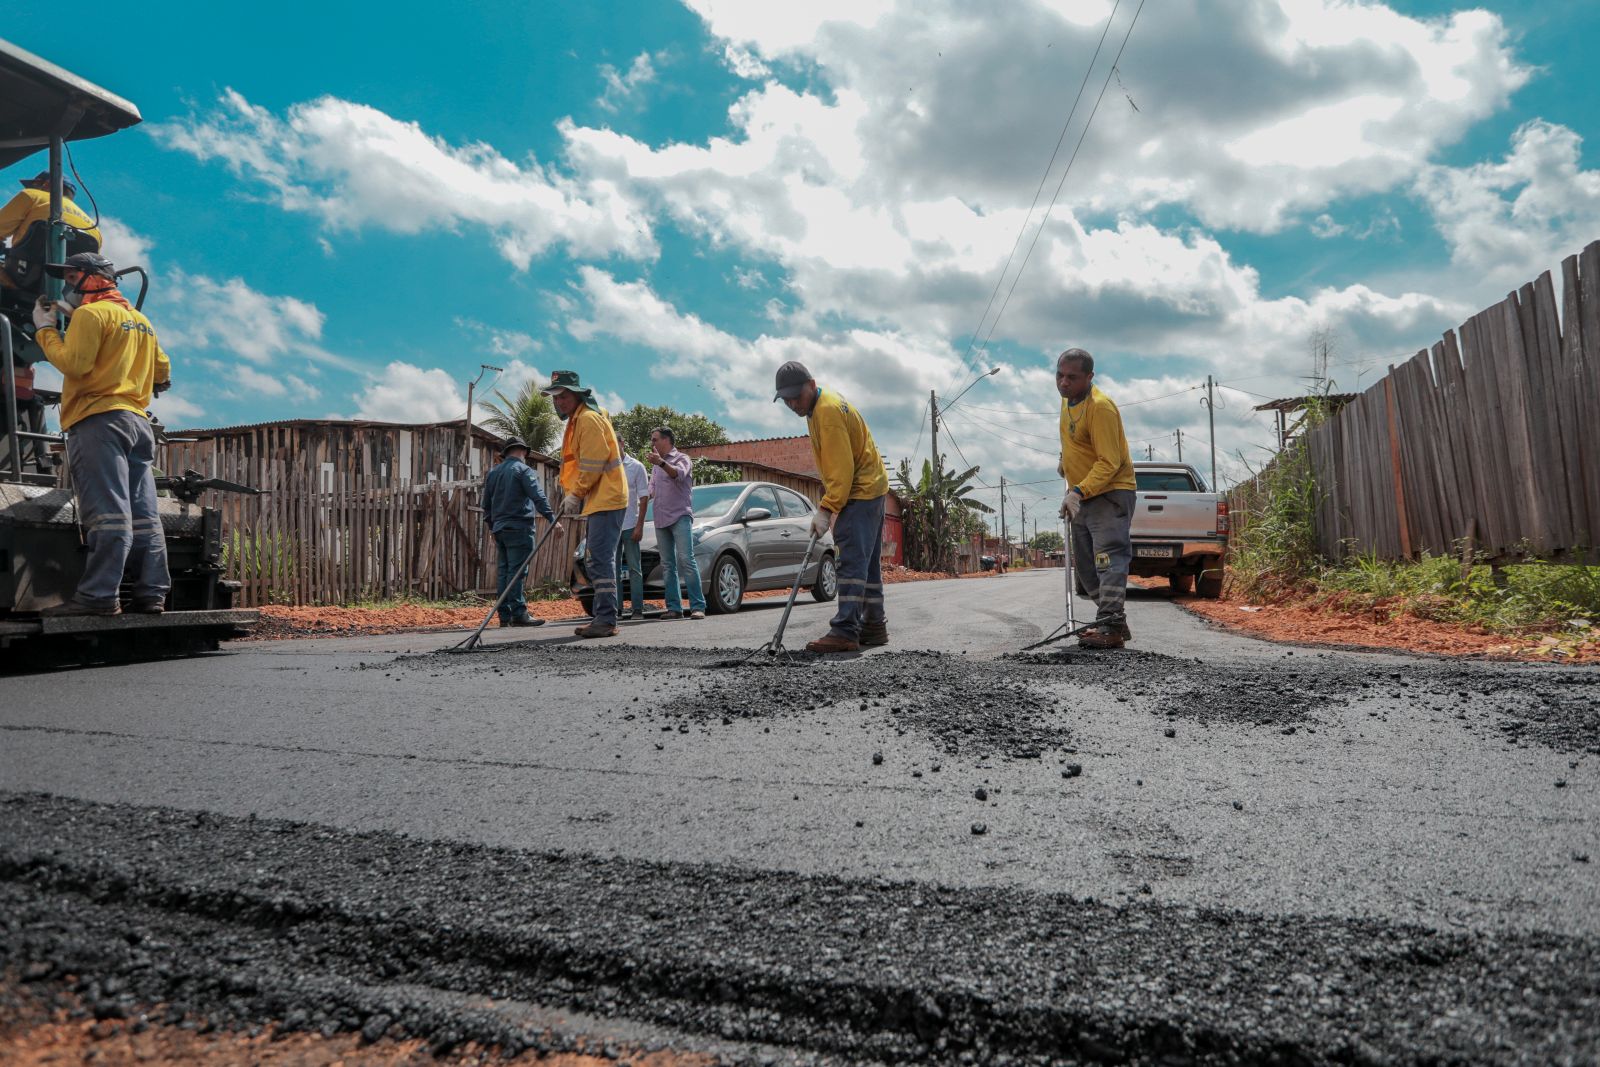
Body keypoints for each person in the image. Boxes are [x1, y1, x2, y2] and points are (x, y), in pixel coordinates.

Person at [30, 252, 170, 616]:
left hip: (99, 421)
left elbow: (74, 365)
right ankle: (152, 594)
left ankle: (97, 597)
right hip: (137, 424)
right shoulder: (141, 321)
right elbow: (163, 373)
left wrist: (45, 329)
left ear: (92, 278)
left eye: (72, 275)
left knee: (108, 514)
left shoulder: (92, 315)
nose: (67, 284)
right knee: (144, 515)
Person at [773, 361, 888, 653]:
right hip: (872, 489)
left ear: (811, 384)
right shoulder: (820, 406)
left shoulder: (826, 412)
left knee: (850, 561)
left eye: (795, 396)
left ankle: (846, 630)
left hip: (859, 492)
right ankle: (874, 626)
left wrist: (826, 508)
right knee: (867, 565)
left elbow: (842, 471)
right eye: (786, 399)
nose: (792, 403)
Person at [1055, 347, 1137, 649]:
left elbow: (1109, 461)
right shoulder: (1067, 402)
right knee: (1088, 569)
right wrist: (1066, 460)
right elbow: (1076, 439)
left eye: (1072, 377)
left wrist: (1078, 491)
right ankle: (1111, 621)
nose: (1064, 382)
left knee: (1108, 560)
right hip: (1082, 496)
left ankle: (1110, 625)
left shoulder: (1100, 407)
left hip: (1109, 495)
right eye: (1060, 376)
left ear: (1089, 377)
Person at [541, 370, 628, 638]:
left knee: (599, 560)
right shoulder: (580, 419)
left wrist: (576, 493)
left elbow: (593, 462)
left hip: (607, 497)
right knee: (597, 560)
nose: (559, 402)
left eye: (563, 395)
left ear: (577, 394)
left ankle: (606, 620)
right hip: (601, 498)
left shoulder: (588, 420)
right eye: (555, 397)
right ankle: (604, 618)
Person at [482, 436, 560, 627]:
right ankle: (519, 613)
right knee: (517, 571)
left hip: (500, 528)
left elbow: (486, 506)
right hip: (519, 527)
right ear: (523, 452)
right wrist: (552, 519)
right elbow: (538, 496)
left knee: (504, 571)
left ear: (506, 452)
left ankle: (504, 615)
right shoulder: (523, 470)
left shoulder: (493, 473)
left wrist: (493, 527)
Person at [646, 424, 705, 620]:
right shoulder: (655, 466)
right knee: (667, 565)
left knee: (687, 560)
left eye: (655, 439)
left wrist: (661, 462)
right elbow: (651, 490)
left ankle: (697, 607)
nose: (652, 443)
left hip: (680, 516)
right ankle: (674, 608)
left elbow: (678, 474)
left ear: (666, 440)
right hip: (660, 519)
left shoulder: (682, 459)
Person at [0, 173, 102, 289]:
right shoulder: (94, 228)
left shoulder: (33, 195)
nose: (31, 188)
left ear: (46, 184)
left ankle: (10, 292)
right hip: (68, 287)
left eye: (34, 185)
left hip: (24, 274)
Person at [615, 436, 651, 620]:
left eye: (615, 442)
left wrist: (640, 525)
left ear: (622, 443)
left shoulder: (636, 466)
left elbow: (644, 498)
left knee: (634, 568)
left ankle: (637, 609)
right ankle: (616, 610)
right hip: (612, 526)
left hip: (630, 524)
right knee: (612, 570)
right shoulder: (607, 467)